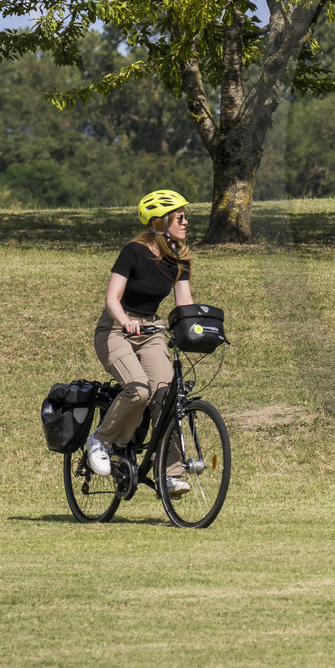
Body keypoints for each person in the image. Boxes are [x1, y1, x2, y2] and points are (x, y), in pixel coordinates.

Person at [84, 190, 194, 497]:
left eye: (185, 216)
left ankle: (171, 474)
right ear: (162, 221)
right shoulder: (133, 251)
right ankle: (101, 440)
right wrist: (124, 321)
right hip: (115, 330)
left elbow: (184, 304)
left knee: (165, 395)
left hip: (151, 331)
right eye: (180, 217)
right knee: (138, 389)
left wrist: (194, 327)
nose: (186, 222)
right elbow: (112, 299)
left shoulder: (179, 259)